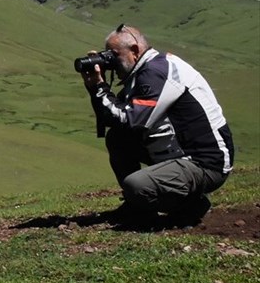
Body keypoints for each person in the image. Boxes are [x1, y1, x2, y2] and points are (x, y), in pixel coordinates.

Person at [80, 24, 234, 227]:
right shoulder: (147, 69)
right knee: (118, 138)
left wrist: (99, 87)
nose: (111, 62)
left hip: (205, 163)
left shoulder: (156, 73)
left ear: (134, 51)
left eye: (114, 55)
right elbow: (117, 120)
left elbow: (129, 120)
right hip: (180, 152)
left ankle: (189, 206)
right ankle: (138, 207)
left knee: (136, 186)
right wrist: (96, 87)